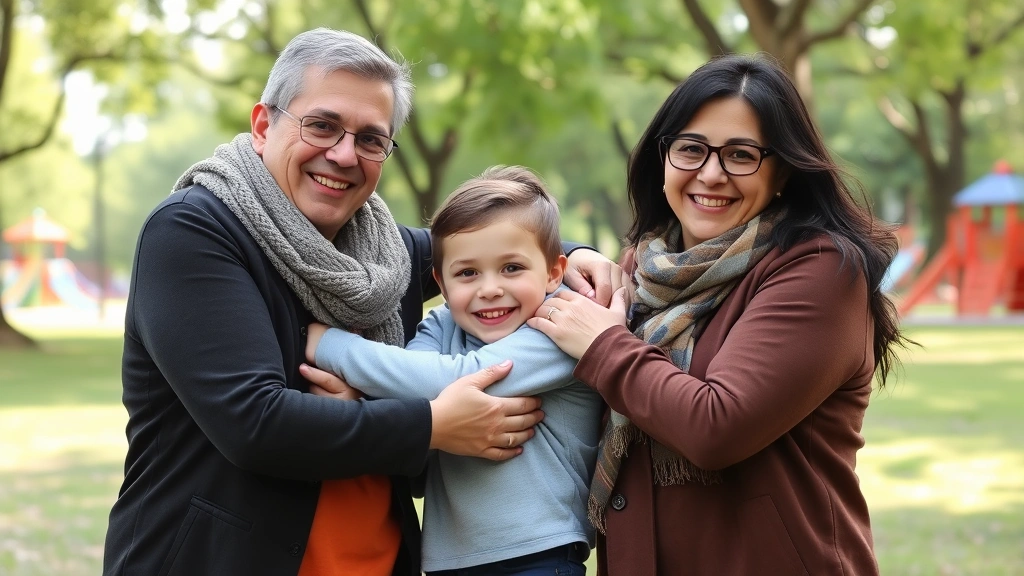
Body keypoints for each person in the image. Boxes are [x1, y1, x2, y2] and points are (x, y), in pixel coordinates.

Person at [103, 28, 619, 576]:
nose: (344, 154)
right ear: (263, 125)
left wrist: (581, 253)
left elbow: (493, 248)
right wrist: (431, 425)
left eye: (371, 139)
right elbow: (253, 424)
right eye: (322, 125)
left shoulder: (381, 253)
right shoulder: (193, 232)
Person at [528, 54, 906, 575]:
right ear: (662, 160)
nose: (711, 173)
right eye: (691, 149)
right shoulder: (644, 266)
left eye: (741, 154)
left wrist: (604, 346)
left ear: (783, 171)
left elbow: (716, 426)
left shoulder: (820, 271)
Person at [305, 165, 601, 576]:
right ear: (441, 285)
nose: (490, 288)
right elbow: (409, 382)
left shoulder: (559, 326)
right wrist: (362, 395)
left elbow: (456, 376)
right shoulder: (443, 323)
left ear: (553, 272)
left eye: (512, 268)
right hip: (450, 561)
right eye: (467, 273)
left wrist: (332, 346)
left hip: (539, 554)